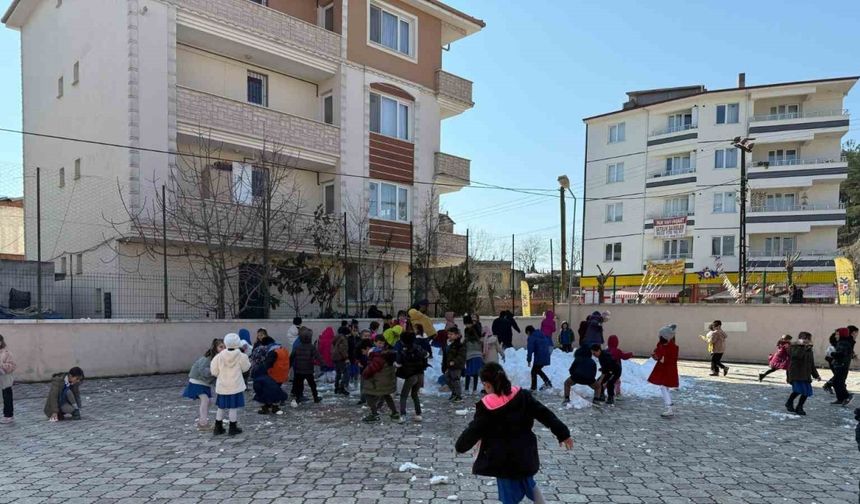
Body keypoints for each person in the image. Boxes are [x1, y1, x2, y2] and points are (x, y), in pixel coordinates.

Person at [455, 363, 573, 504]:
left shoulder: (487, 407)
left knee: (509, 497)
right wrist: (563, 433)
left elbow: (474, 430)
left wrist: (460, 446)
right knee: (528, 482)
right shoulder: (522, 395)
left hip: (503, 459)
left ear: (486, 384)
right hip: (525, 453)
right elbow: (544, 414)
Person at [209, 333, 250, 436]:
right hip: (235, 386)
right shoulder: (241, 355)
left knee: (221, 407)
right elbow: (246, 368)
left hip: (223, 386)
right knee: (233, 407)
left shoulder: (219, 356)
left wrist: (221, 375)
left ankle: (218, 428)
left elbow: (214, 371)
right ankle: (232, 428)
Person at [182, 338, 224, 429]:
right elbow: (202, 369)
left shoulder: (221, 358)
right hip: (197, 381)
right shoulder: (209, 357)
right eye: (221, 347)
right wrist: (214, 371)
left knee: (209, 401)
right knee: (205, 400)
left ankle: (202, 420)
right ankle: (203, 423)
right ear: (215, 348)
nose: (223, 349)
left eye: (225, 347)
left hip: (205, 383)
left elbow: (216, 376)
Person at [361, 337, 402, 423]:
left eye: (382, 343)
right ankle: (394, 413)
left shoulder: (378, 355)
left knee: (368, 395)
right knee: (386, 395)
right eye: (379, 343)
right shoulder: (387, 354)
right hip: (386, 380)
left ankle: (374, 414)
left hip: (377, 381)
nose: (380, 345)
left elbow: (372, 368)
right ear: (375, 342)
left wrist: (365, 374)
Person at [252, 335, 290, 415]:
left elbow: (267, 365)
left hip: (274, 375)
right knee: (273, 391)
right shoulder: (282, 349)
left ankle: (271, 407)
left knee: (268, 391)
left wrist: (259, 371)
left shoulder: (273, 352)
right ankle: (272, 406)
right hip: (283, 374)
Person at [648, 324, 680, 418]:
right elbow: (658, 355)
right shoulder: (662, 345)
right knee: (664, 387)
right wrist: (656, 356)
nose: (659, 337)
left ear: (664, 337)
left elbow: (666, 359)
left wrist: (659, 357)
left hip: (668, 370)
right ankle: (669, 406)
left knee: (663, 387)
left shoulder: (672, 347)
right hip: (664, 370)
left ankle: (669, 407)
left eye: (660, 335)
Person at [785, 331, 820, 416]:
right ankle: (789, 402)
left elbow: (811, 364)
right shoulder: (793, 347)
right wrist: (801, 346)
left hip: (805, 374)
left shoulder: (809, 349)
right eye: (804, 338)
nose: (807, 340)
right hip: (796, 373)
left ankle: (799, 407)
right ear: (800, 339)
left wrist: (816, 375)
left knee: (806, 391)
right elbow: (797, 356)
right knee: (798, 390)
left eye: (808, 339)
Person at [396, 331, 428, 422]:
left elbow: (398, 364)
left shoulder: (402, 350)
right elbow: (426, 354)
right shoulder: (418, 348)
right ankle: (418, 414)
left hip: (410, 376)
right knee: (415, 394)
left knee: (404, 395)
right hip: (420, 374)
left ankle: (403, 415)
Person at [291, 327, 323, 406]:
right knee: (312, 385)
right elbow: (318, 356)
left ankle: (298, 398)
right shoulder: (311, 347)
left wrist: (288, 366)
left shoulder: (297, 347)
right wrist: (323, 364)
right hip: (308, 369)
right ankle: (315, 397)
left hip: (299, 370)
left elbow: (291, 357)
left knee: (299, 384)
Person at [830, 326, 856, 406]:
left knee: (839, 382)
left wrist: (832, 353)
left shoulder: (843, 343)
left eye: (837, 334)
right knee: (836, 382)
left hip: (842, 365)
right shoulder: (843, 342)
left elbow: (841, 354)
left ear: (841, 335)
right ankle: (840, 399)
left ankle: (847, 396)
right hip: (841, 365)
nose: (836, 336)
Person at [526, 325, 552, 392]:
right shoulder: (541, 334)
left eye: (527, 333)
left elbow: (530, 350)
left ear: (528, 332)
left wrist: (529, 360)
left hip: (539, 356)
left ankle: (535, 387)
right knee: (536, 370)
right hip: (546, 355)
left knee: (534, 371)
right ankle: (546, 383)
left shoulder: (532, 337)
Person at [444, 327, 466, 403]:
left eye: (451, 334)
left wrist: (454, 361)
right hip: (449, 366)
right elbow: (446, 356)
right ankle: (454, 393)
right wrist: (444, 365)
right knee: (447, 378)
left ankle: (458, 396)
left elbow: (461, 356)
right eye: (448, 334)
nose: (449, 335)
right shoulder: (448, 344)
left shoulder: (459, 345)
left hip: (456, 366)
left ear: (456, 335)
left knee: (455, 380)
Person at [0, 334, 16, 424]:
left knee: (7, 397)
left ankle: (8, 416)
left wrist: (2, 365)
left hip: (5, 378)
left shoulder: (7, 353)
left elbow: (12, 366)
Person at [464, 325, 485, 395]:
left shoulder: (466, 341)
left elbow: (463, 349)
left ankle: (466, 389)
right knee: (476, 373)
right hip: (479, 357)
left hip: (470, 357)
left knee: (468, 373)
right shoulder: (478, 341)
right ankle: (474, 390)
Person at [332, 325, 350, 396]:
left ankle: (336, 388)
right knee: (346, 373)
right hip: (340, 358)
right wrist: (346, 358)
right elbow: (342, 349)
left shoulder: (337, 337)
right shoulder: (343, 339)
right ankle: (341, 388)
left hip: (335, 357)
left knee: (338, 373)